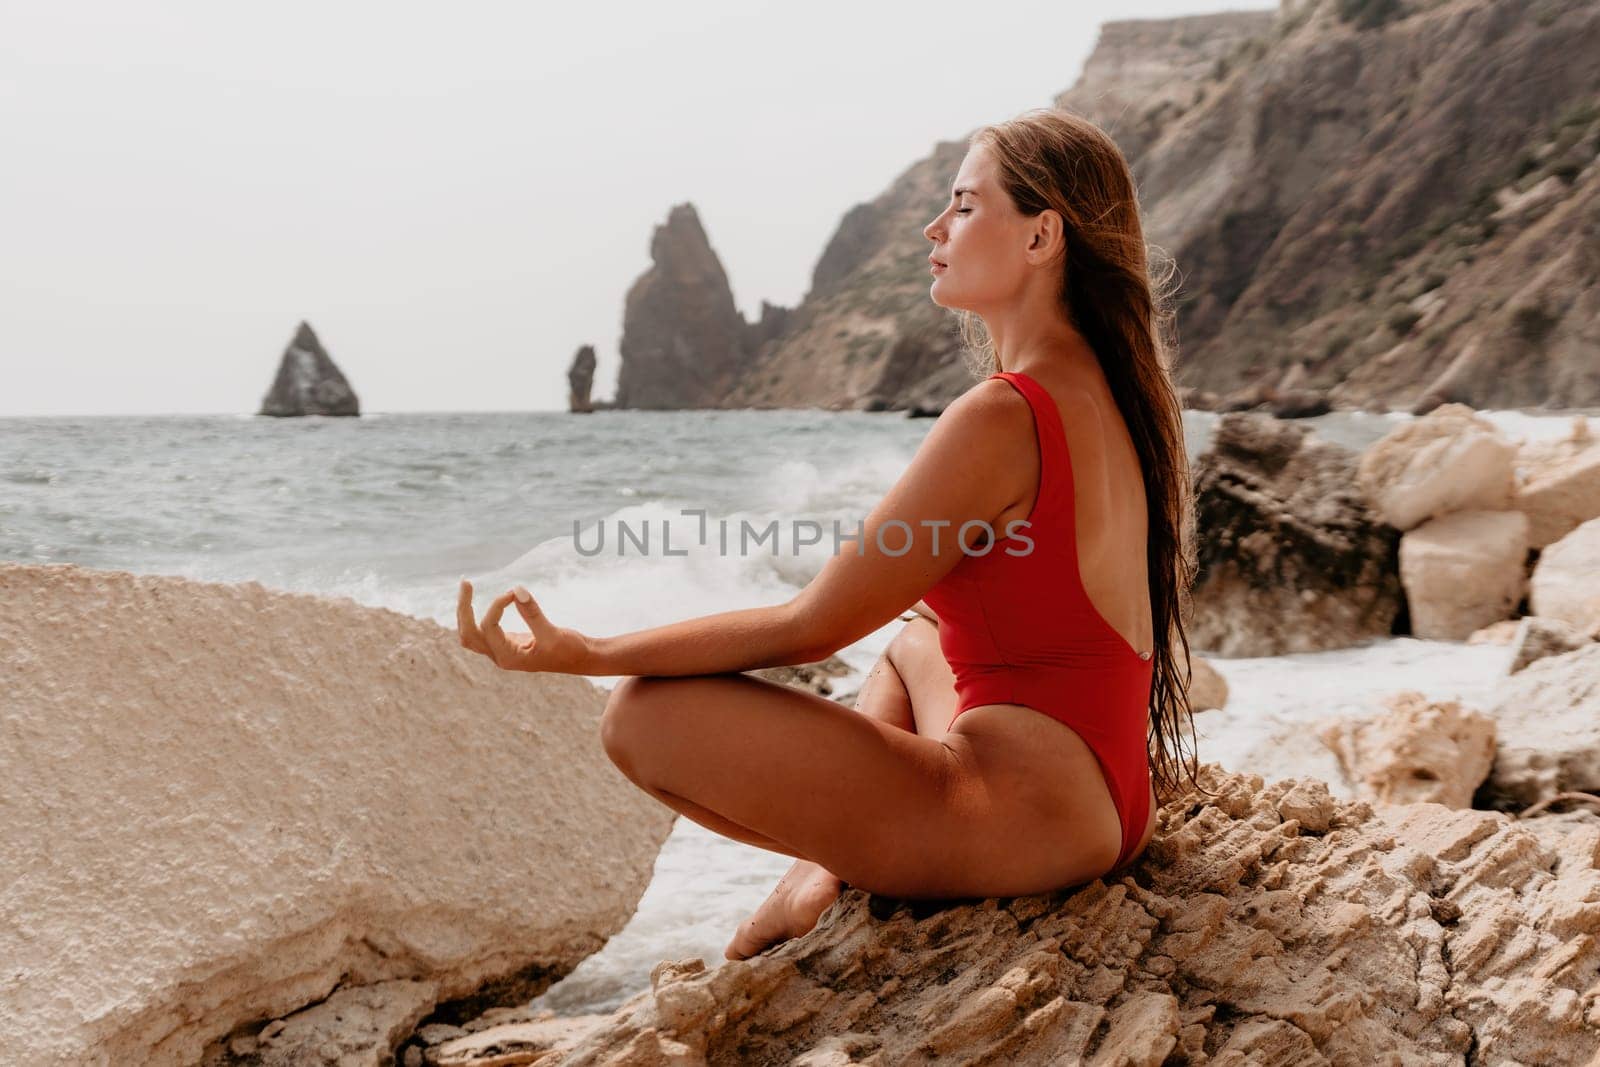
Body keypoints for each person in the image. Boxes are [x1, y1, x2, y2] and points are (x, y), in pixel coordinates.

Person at [456, 107, 1203, 963]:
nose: (936, 226)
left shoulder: (1002, 415)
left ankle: (817, 874)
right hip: (1108, 799)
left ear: (1041, 237)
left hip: (1023, 823)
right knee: (915, 639)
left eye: (963, 204)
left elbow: (811, 624)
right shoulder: (1113, 392)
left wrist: (584, 650)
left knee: (642, 715)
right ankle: (821, 867)